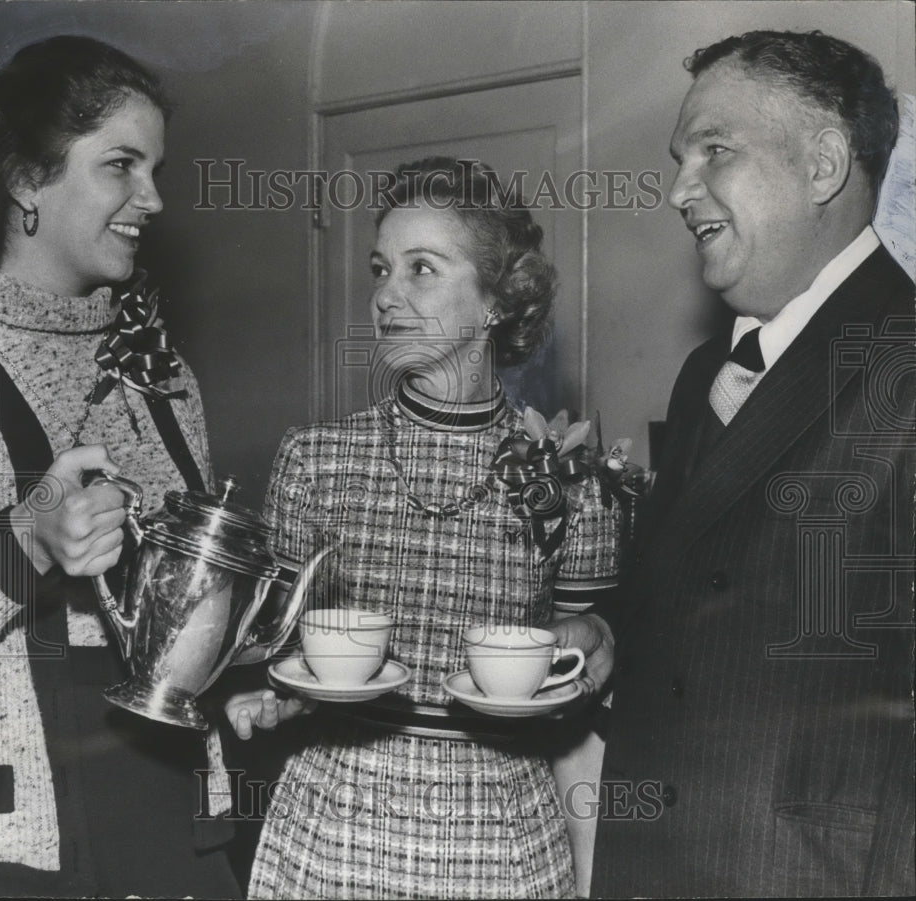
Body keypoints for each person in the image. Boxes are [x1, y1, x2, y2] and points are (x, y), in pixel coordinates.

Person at [224, 156, 618, 899]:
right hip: (334, 821)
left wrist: (598, 644)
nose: (385, 296)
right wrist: (273, 695)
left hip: (503, 833)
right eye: (381, 268)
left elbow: (583, 691)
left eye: (422, 270)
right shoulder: (314, 460)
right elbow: (276, 651)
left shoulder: (574, 476)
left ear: (498, 299)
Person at [587, 30, 915, 897]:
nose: (678, 190)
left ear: (824, 165)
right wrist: (608, 633)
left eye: (715, 152)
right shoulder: (709, 370)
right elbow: (689, 591)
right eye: (679, 158)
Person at [0, 35, 242, 898]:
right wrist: (25, 539)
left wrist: (243, 673)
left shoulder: (163, 376)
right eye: (122, 166)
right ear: (26, 180)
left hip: (168, 805)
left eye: (156, 170)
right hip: (8, 846)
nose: (154, 199)